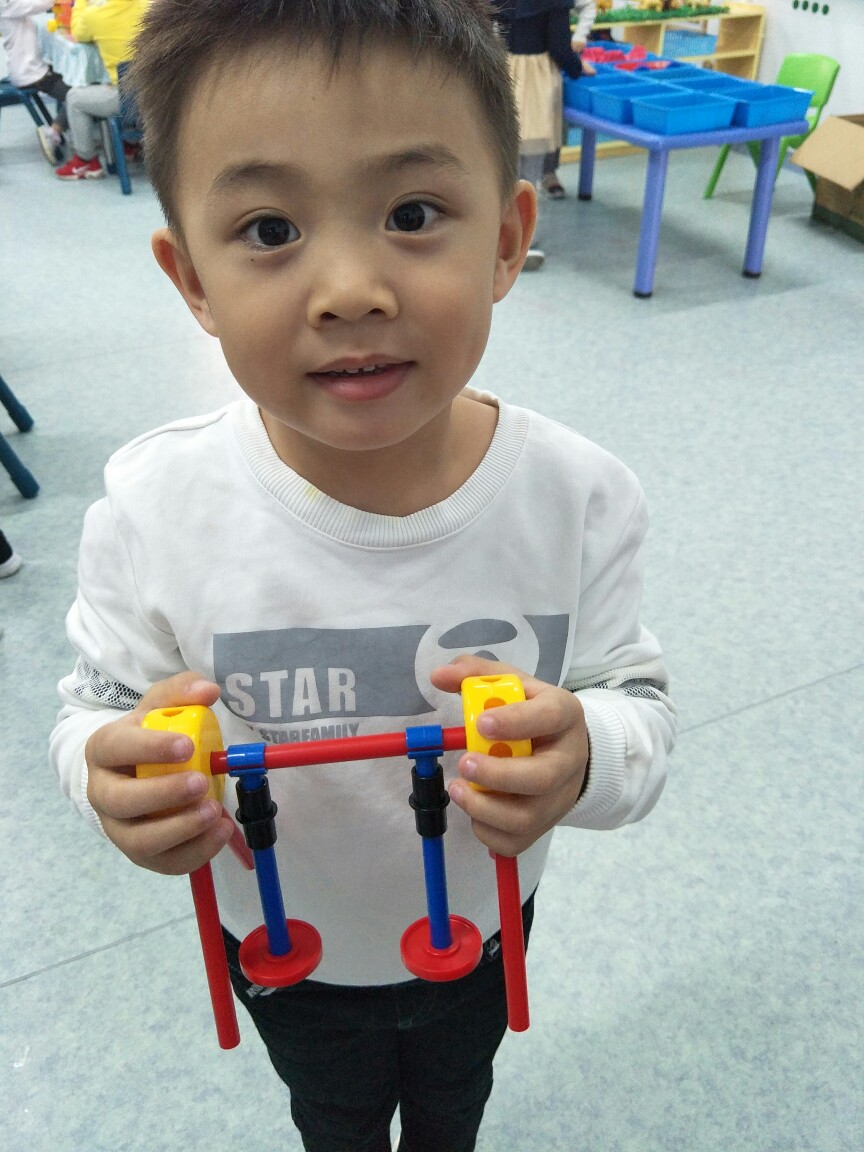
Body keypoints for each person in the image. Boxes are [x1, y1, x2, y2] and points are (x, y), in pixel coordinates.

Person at [49, 3, 676, 1150]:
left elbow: (637, 702)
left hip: (482, 932)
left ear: (506, 240)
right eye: (271, 228)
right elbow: (91, 714)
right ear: (192, 282)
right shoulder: (154, 509)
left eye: (412, 213)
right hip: (285, 951)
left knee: (454, 1106)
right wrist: (109, 777)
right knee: (332, 1119)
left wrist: (588, 751)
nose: (350, 290)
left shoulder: (579, 498)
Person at [492, 0, 588, 268]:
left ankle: (495, 236)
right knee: (529, 171)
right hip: (535, 78)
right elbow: (559, 47)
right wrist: (578, 67)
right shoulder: (553, 3)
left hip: (506, 70)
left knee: (505, 163)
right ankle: (521, 242)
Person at [54, 0, 147, 181]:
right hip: (164, 95)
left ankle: (85, 160)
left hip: (129, 99)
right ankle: (130, 143)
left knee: (74, 98)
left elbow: (78, 33)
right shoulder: (150, 6)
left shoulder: (94, 16)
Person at [0, 0, 71, 163]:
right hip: (31, 75)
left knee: (67, 77)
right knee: (76, 95)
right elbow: (40, 4)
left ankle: (74, 130)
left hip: (30, 70)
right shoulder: (7, 5)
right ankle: (54, 132)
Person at [541, 0, 598, 198]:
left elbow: (559, 43)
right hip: (513, 57)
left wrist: (580, 37)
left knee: (551, 117)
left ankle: (548, 172)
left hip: (547, 62)